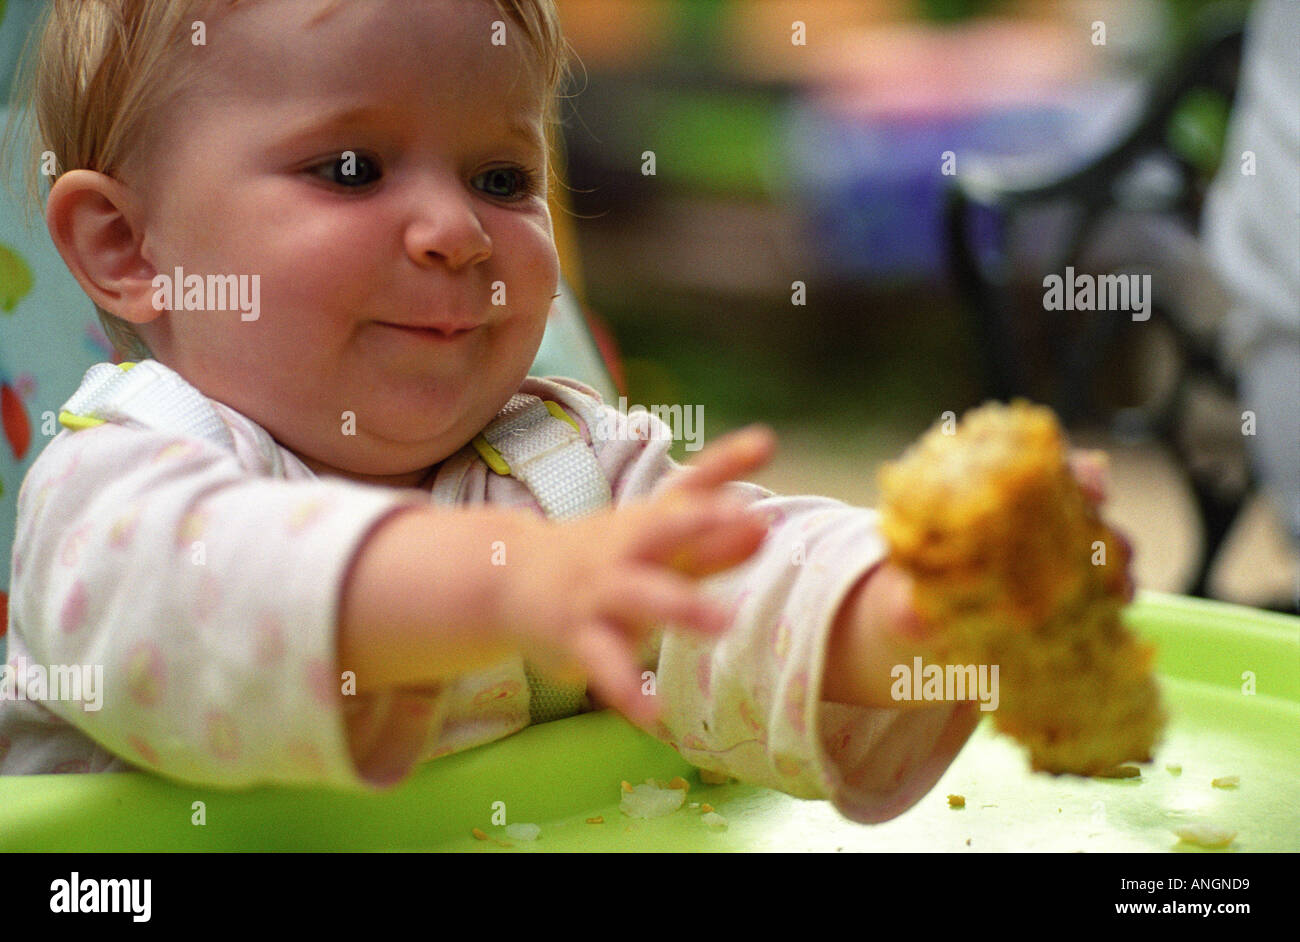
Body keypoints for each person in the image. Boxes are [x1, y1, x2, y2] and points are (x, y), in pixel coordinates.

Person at [0, 0, 1107, 824]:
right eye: (350, 167)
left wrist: (909, 608)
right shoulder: (117, 483)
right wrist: (504, 582)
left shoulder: (561, 463)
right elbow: (212, 598)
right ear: (127, 248)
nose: (456, 231)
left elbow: (727, 582)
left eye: (499, 178)